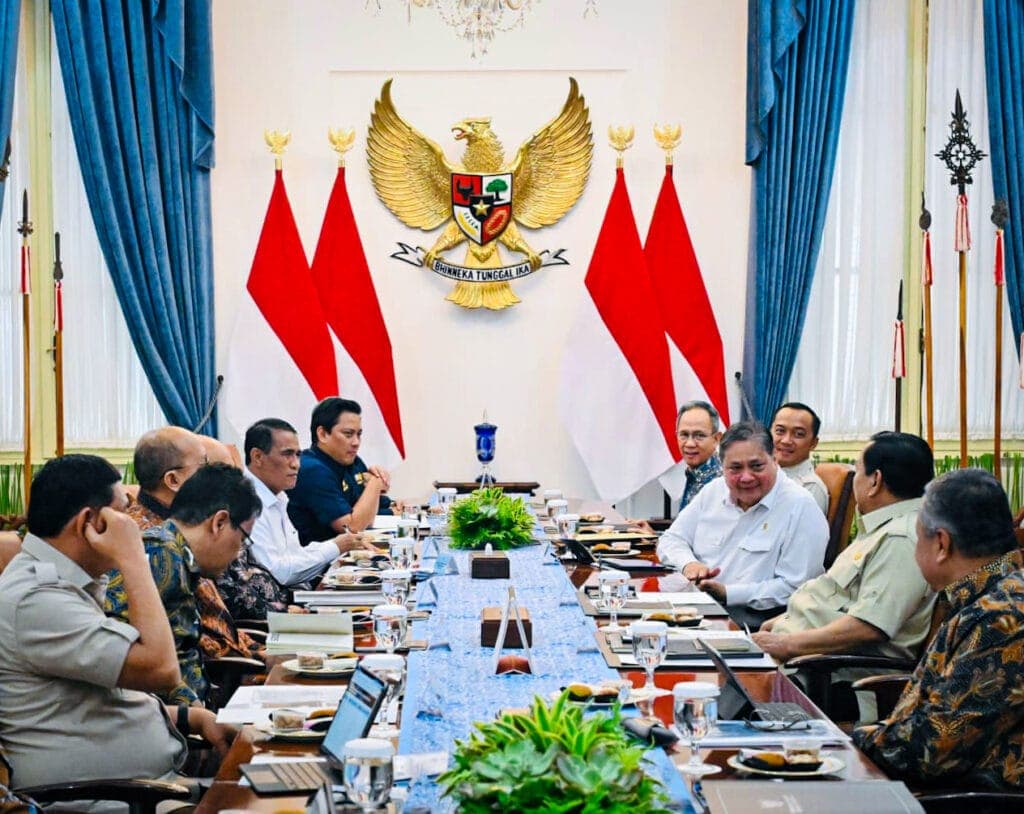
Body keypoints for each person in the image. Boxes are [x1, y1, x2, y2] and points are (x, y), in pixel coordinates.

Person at [0, 455, 233, 790]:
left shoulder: (61, 585)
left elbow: (88, 703)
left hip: (148, 784)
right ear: (90, 523)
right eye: (125, 515)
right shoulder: (36, 601)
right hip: (114, 799)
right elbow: (161, 669)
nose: (135, 526)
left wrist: (192, 718)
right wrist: (133, 556)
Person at [854, 469, 1024, 790]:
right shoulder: (989, 596)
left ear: (942, 544)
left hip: (968, 800)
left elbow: (929, 753)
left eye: (920, 538)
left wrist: (849, 739)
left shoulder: (1000, 619)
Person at [752, 432, 936, 713]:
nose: (855, 481)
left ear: (875, 481)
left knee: (718, 698)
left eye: (858, 471)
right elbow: (840, 598)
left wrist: (787, 643)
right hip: (799, 657)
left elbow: (868, 627)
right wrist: (781, 621)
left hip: (833, 677)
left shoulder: (901, 539)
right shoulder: (881, 528)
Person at [107, 463, 262, 707]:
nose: (238, 553)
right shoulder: (160, 555)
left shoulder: (177, 555)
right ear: (219, 522)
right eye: (242, 538)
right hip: (169, 726)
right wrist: (195, 716)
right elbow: (123, 659)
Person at [656, 421, 828, 614]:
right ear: (722, 467)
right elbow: (671, 540)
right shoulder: (714, 490)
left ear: (774, 459)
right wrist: (689, 564)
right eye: (735, 468)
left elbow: (796, 587)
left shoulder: (801, 506)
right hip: (695, 607)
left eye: (756, 466)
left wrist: (728, 593)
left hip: (755, 620)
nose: (746, 477)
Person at [127, 427, 263, 659]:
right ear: (172, 480)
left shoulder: (180, 532)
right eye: (204, 467)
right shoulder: (156, 548)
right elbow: (182, 648)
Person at [244, 418, 377, 588]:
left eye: (298, 454)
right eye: (287, 454)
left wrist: (342, 544)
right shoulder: (246, 500)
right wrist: (336, 546)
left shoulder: (278, 495)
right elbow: (279, 573)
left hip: (300, 594)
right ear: (257, 457)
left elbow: (294, 556)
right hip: (278, 608)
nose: (296, 464)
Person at [287, 398, 396, 542]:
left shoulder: (351, 460)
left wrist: (393, 506)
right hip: (320, 561)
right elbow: (353, 528)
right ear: (323, 434)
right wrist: (376, 482)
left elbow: (365, 513)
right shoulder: (312, 470)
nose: (356, 442)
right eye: (348, 434)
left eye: (359, 434)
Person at [770, 402, 828, 514]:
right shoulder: (764, 475)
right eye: (780, 431)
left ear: (813, 443)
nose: (786, 440)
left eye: (798, 434)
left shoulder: (809, 488)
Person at [675, 401, 725, 510]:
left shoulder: (720, 482)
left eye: (699, 436)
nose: (690, 444)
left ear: (717, 439)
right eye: (684, 435)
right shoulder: (694, 473)